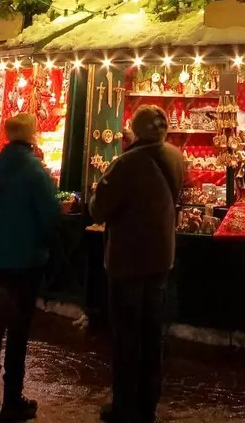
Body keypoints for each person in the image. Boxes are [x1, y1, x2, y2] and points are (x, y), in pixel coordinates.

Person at [91, 105, 186, 419]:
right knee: (152, 333)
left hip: (129, 260)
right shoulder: (175, 156)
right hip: (161, 257)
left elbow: (98, 209)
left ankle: (124, 406)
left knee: (127, 336)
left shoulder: (126, 164)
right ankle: (148, 404)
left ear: (135, 129)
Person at [0, 113, 60, 423]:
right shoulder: (34, 170)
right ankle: (12, 398)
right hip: (25, 259)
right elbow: (49, 214)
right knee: (17, 331)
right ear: (32, 134)